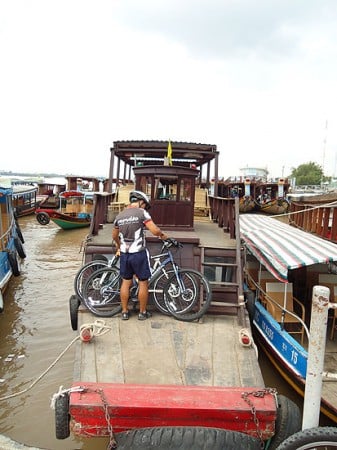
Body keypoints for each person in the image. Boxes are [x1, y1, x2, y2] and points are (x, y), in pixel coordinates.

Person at [112, 190, 169, 321]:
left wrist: (118, 245)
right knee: (143, 282)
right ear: (140, 202)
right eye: (145, 205)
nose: (145, 207)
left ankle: (125, 312)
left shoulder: (120, 216)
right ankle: (142, 313)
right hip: (138, 253)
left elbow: (114, 235)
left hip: (125, 255)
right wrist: (164, 236)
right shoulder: (142, 213)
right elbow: (154, 230)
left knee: (126, 282)